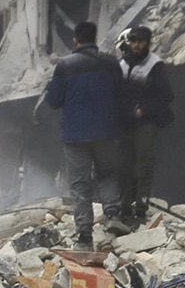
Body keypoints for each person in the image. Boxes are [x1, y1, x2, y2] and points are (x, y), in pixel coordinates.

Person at [41, 21, 125, 249]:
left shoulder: (65, 65)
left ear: (75, 41)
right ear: (95, 38)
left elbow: (53, 101)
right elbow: (122, 93)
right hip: (106, 131)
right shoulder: (110, 62)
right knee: (107, 175)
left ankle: (85, 236)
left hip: (75, 135)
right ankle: (113, 216)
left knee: (80, 184)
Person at [114, 26, 175, 220]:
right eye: (133, 41)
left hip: (145, 123)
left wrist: (144, 110)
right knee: (123, 166)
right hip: (124, 123)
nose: (136, 45)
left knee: (143, 165)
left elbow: (166, 95)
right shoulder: (122, 64)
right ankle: (124, 207)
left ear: (147, 43)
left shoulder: (155, 65)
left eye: (140, 41)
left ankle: (140, 208)